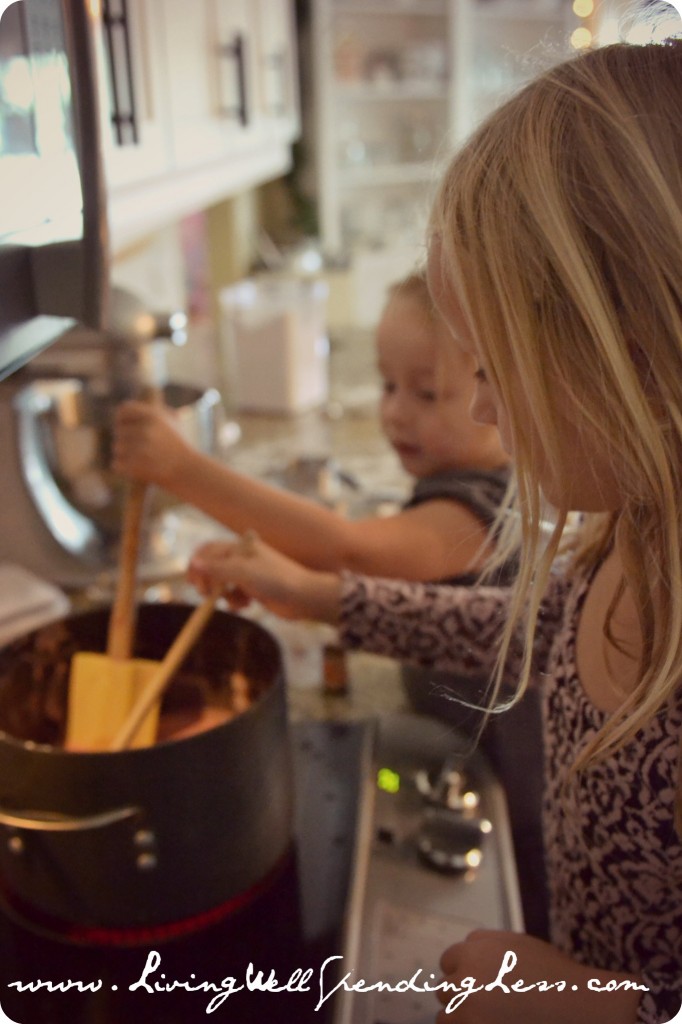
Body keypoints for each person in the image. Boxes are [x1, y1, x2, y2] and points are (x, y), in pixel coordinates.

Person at [186, 38, 682, 1024]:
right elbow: (528, 635)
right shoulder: (621, 534)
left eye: (494, 367)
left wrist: (621, 1013)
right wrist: (324, 599)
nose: (487, 413)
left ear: (629, 355)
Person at [113, 272, 511, 585]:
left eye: (427, 393)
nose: (396, 413)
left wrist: (182, 467)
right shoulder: (466, 479)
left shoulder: (488, 515)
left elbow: (350, 554)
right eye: (388, 385)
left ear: (506, 393)